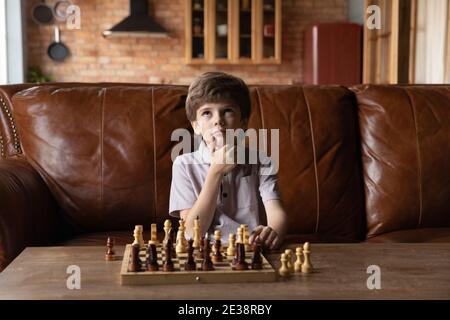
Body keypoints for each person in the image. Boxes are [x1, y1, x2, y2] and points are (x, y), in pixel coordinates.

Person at [169, 72, 288, 250]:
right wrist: (216, 171)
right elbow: (191, 233)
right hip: (206, 252)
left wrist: (272, 231)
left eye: (227, 111)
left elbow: (277, 213)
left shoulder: (261, 161)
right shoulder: (183, 164)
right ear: (196, 126)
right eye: (207, 113)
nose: (218, 121)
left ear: (243, 122)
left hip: (248, 249)